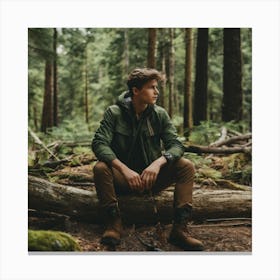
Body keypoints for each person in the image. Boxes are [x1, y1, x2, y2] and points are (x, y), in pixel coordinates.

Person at [92, 68, 204, 251]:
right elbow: (99, 143)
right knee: (100, 168)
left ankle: (180, 229)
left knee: (186, 166)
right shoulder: (114, 113)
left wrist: (158, 163)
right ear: (136, 91)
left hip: (151, 178)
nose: (156, 92)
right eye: (151, 87)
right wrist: (124, 170)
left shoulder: (159, 114)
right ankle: (113, 224)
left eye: (156, 87)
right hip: (123, 179)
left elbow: (176, 145)